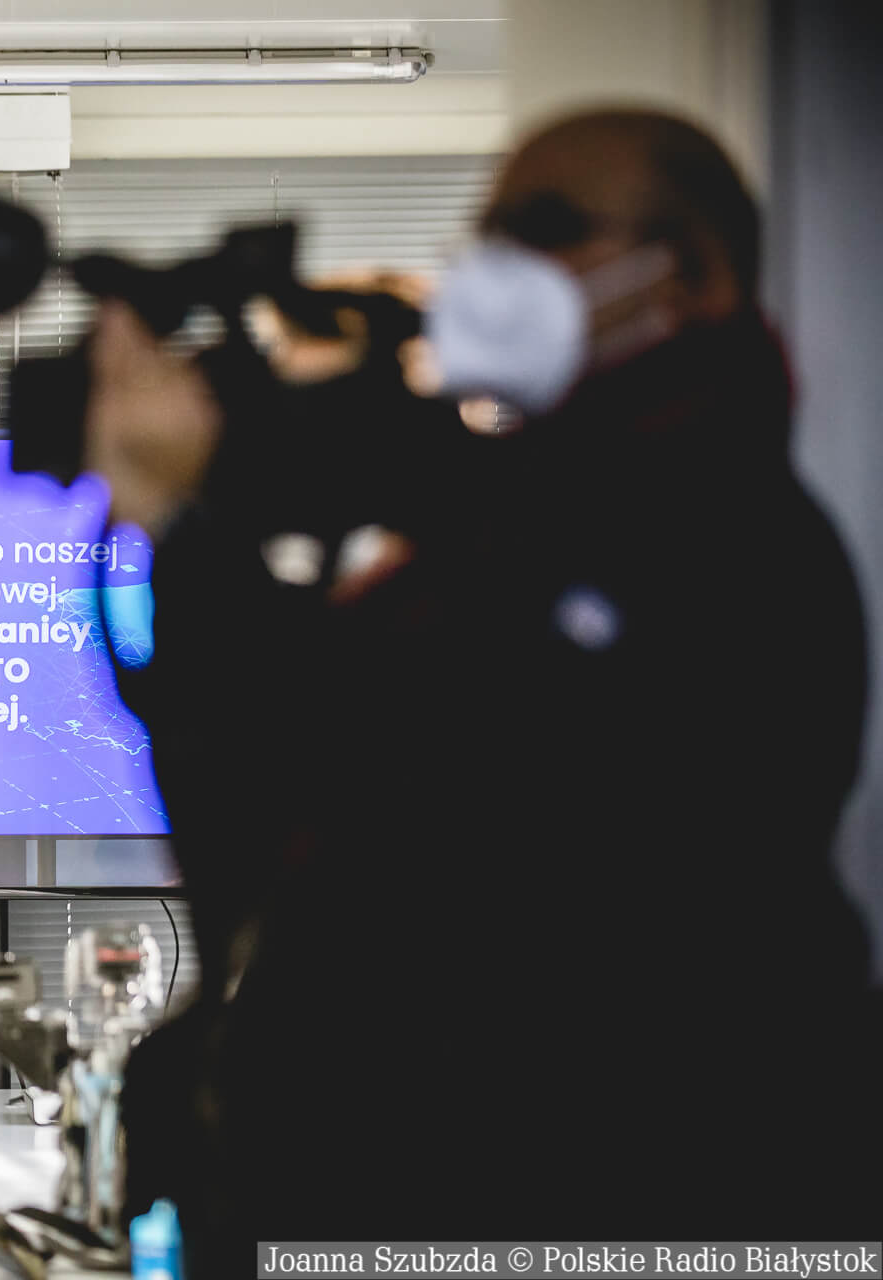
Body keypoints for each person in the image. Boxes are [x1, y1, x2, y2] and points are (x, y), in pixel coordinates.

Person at [85, 109, 877, 1255]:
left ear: (693, 273)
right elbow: (273, 782)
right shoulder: (499, 530)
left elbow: (472, 807)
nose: (497, 266)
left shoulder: (728, 540)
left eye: (544, 227)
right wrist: (180, 524)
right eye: (487, 235)